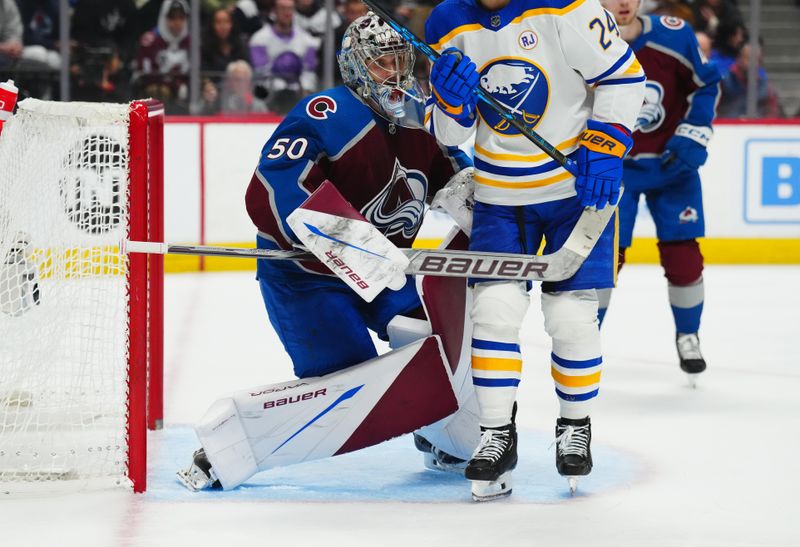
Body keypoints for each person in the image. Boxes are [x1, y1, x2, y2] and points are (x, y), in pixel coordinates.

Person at [178, 13, 474, 491]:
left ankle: (447, 439)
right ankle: (223, 447)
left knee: (427, 342)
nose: (397, 74)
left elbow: (455, 177)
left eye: (403, 61)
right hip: (306, 279)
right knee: (350, 384)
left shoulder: (423, 116)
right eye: (383, 64)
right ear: (357, 69)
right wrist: (359, 251)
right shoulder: (327, 113)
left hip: (383, 274)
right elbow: (273, 188)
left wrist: (491, 219)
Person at [425, 0, 646, 500]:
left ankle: (575, 425)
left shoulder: (571, 7)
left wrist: (608, 141)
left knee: (571, 318)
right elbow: (449, 133)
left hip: (573, 193)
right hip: (499, 199)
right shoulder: (446, 21)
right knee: (494, 314)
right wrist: (451, 104)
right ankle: (496, 436)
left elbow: (625, 76)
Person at [596, 0, 721, 383]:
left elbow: (705, 85)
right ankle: (582, 339)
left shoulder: (674, 34)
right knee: (603, 258)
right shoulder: (580, 37)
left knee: (683, 253)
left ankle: (688, 335)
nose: (622, 3)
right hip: (612, 169)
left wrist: (693, 132)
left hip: (671, 166)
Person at [248, 0, 319, 95]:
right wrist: (282, 91)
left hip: (299, 96)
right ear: (274, 11)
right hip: (269, 97)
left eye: (290, 9)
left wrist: (304, 91)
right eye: (282, 9)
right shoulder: (259, 40)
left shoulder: (307, 40)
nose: (287, 13)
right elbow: (262, 74)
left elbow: (309, 72)